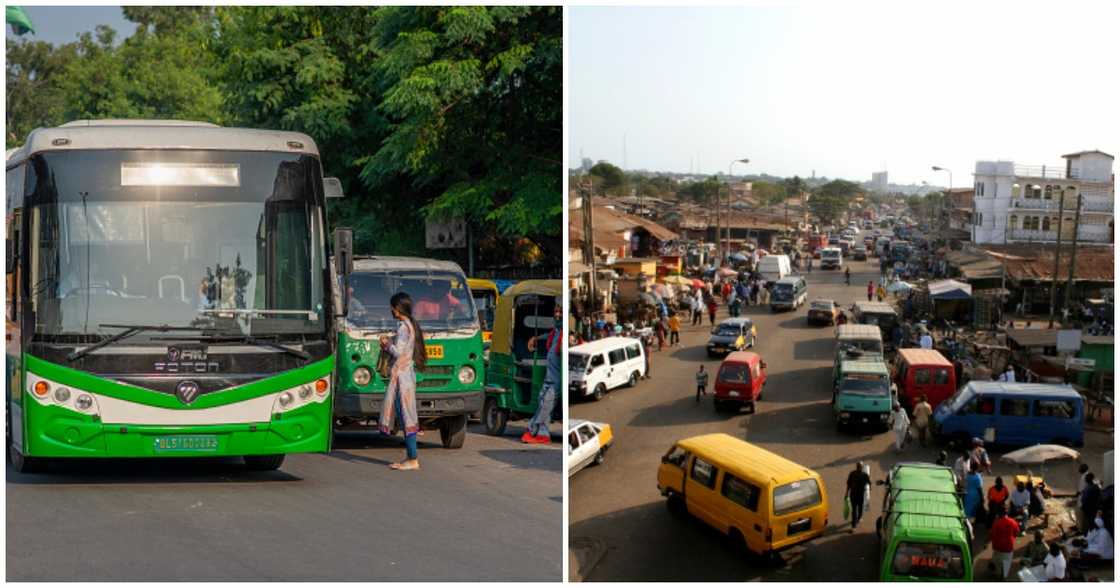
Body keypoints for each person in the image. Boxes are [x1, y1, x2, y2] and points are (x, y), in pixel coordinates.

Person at [378, 292, 427, 471]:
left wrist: (386, 345)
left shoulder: (404, 327)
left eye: (392, 307)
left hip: (402, 379)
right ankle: (411, 456)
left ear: (397, 309)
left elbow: (399, 352)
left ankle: (412, 458)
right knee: (407, 417)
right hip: (405, 377)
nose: (391, 310)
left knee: (406, 418)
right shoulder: (408, 325)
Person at [522, 303, 561, 445]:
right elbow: (549, 335)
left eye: (560, 312)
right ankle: (542, 433)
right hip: (549, 377)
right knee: (542, 400)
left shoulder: (564, 334)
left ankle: (533, 428)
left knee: (546, 404)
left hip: (556, 380)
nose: (557, 315)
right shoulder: (556, 332)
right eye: (555, 312)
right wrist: (536, 339)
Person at [989, 505, 1020, 579]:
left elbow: (992, 534)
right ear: (1007, 512)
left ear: (999, 513)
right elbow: (1017, 533)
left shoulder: (996, 522)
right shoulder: (1013, 522)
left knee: (997, 562)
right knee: (1006, 564)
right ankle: (1004, 576)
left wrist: (986, 542)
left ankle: (996, 573)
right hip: (1009, 547)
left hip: (997, 547)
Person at [845, 462, 871, 533]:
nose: (859, 468)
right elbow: (869, 484)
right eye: (859, 466)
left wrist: (846, 493)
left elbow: (848, 484)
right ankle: (855, 524)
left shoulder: (854, 474)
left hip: (856, 495)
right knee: (855, 510)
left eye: (859, 466)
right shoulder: (861, 475)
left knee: (857, 509)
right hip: (856, 495)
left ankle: (857, 520)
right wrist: (846, 493)